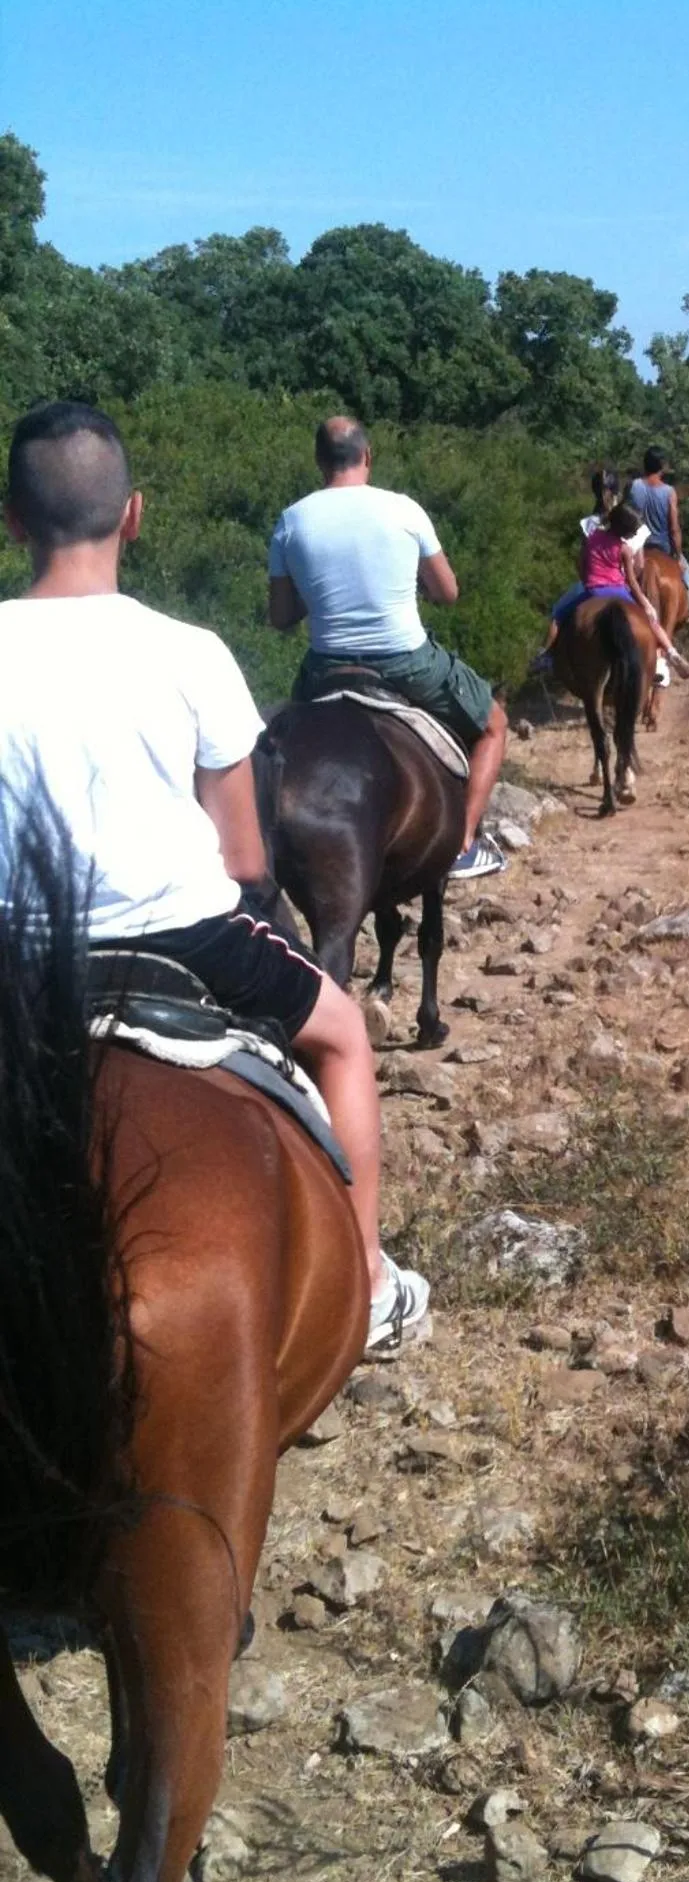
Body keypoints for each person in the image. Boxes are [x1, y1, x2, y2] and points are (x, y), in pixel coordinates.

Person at [0, 400, 428, 1356]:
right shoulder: (192, 653)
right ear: (135, 516)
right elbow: (241, 860)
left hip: (16, 955)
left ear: (13, 520)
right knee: (347, 1034)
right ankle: (364, 1278)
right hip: (180, 938)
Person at [268, 417, 509, 881]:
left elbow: (280, 618)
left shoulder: (292, 519)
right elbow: (447, 593)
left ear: (320, 461)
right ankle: (463, 843)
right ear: (368, 456)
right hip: (406, 661)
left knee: (278, 741)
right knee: (494, 724)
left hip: (326, 666)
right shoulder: (405, 510)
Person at [545, 504, 689, 676]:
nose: (633, 535)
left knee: (557, 616)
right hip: (619, 591)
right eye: (632, 531)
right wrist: (646, 605)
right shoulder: (625, 550)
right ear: (624, 531)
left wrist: (587, 581)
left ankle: (546, 656)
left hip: (593, 590)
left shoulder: (592, 538)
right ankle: (670, 653)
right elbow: (631, 581)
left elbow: (582, 565)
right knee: (650, 621)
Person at [628, 446, 689, 587]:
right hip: (662, 548)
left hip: (636, 549)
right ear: (662, 466)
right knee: (686, 572)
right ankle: (688, 605)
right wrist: (678, 556)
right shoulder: (669, 492)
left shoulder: (633, 486)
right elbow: (674, 529)